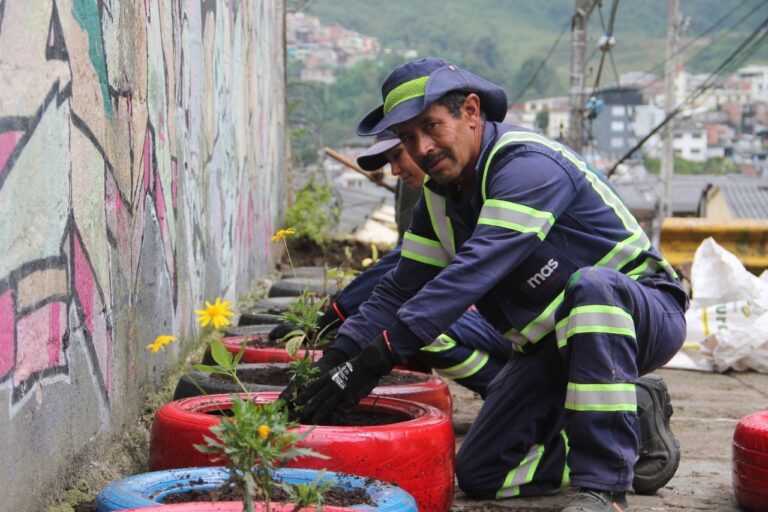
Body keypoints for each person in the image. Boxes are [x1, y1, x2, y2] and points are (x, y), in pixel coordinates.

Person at [287, 58, 688, 512]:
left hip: (640, 313)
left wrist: (379, 356)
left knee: (591, 287)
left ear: (471, 112)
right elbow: (397, 290)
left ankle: (603, 489)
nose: (421, 148)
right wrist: (335, 362)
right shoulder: (437, 202)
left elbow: (473, 271)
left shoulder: (527, 166)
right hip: (550, 346)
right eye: (407, 138)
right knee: (482, 472)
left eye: (431, 126)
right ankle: (628, 425)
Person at [273, 130, 513, 398]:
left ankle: (507, 391)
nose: (396, 170)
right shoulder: (429, 194)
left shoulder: (486, 186)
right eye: (389, 162)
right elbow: (399, 274)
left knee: (417, 328)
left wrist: (336, 317)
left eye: (399, 155)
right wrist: (336, 322)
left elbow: (401, 266)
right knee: (403, 323)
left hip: (507, 322)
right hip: (490, 316)